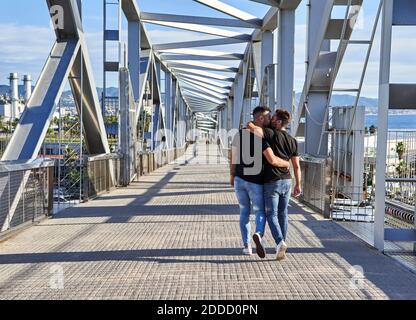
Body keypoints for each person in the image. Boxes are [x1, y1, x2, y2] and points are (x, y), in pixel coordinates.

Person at [230, 107, 290, 257]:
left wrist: (232, 176)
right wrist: (286, 164)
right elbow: (270, 158)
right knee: (260, 211)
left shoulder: (239, 134)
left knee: (244, 212)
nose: (271, 119)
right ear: (261, 119)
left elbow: (233, 157)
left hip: (239, 180)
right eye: (268, 117)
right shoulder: (261, 137)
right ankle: (258, 234)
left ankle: (247, 247)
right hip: (256, 181)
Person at [248, 109, 301, 261]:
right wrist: (298, 184)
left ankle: (280, 242)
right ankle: (282, 246)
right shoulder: (292, 140)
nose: (270, 120)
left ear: (278, 122)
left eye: (273, 118)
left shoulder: (271, 134)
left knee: (272, 214)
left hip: (272, 182)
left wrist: (252, 123)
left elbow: (253, 128)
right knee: (283, 214)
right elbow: (296, 166)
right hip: (287, 181)